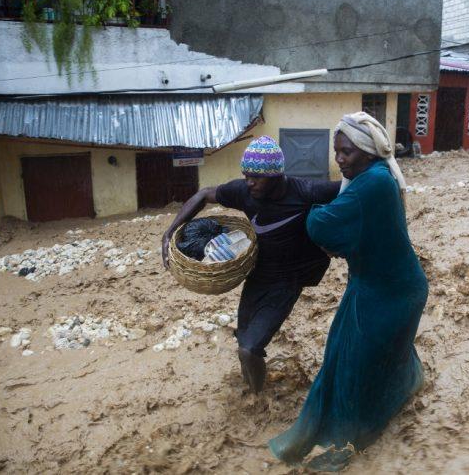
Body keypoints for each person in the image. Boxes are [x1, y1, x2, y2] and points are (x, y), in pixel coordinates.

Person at [269, 112, 428, 471]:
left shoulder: (373, 183)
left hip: (394, 293)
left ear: (368, 152)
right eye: (336, 151)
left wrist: (306, 210)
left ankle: (351, 440)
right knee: (340, 355)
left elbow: (323, 224)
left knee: (357, 368)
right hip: (375, 285)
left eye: (346, 152)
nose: (339, 159)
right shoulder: (377, 176)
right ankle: (314, 428)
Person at [161, 136, 340, 393]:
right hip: (257, 276)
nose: (250, 182)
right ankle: (253, 386)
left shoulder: (306, 192)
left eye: (257, 177)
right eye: (246, 175)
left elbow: (352, 188)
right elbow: (203, 194)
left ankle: (257, 400)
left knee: (249, 349)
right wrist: (170, 231)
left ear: (277, 176)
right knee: (243, 341)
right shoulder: (244, 192)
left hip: (287, 282)